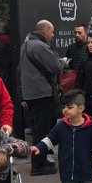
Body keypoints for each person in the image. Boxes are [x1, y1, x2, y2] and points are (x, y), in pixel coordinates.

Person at [19, 20, 65, 175]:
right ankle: (39, 164)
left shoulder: (26, 45)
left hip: (32, 94)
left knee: (39, 128)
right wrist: (62, 62)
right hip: (41, 93)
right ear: (45, 31)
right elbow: (56, 66)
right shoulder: (39, 46)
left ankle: (41, 160)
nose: (53, 35)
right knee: (42, 129)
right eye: (51, 31)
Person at [75, 33, 92, 115]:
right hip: (86, 98)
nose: (90, 45)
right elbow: (79, 80)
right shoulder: (84, 59)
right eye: (88, 42)